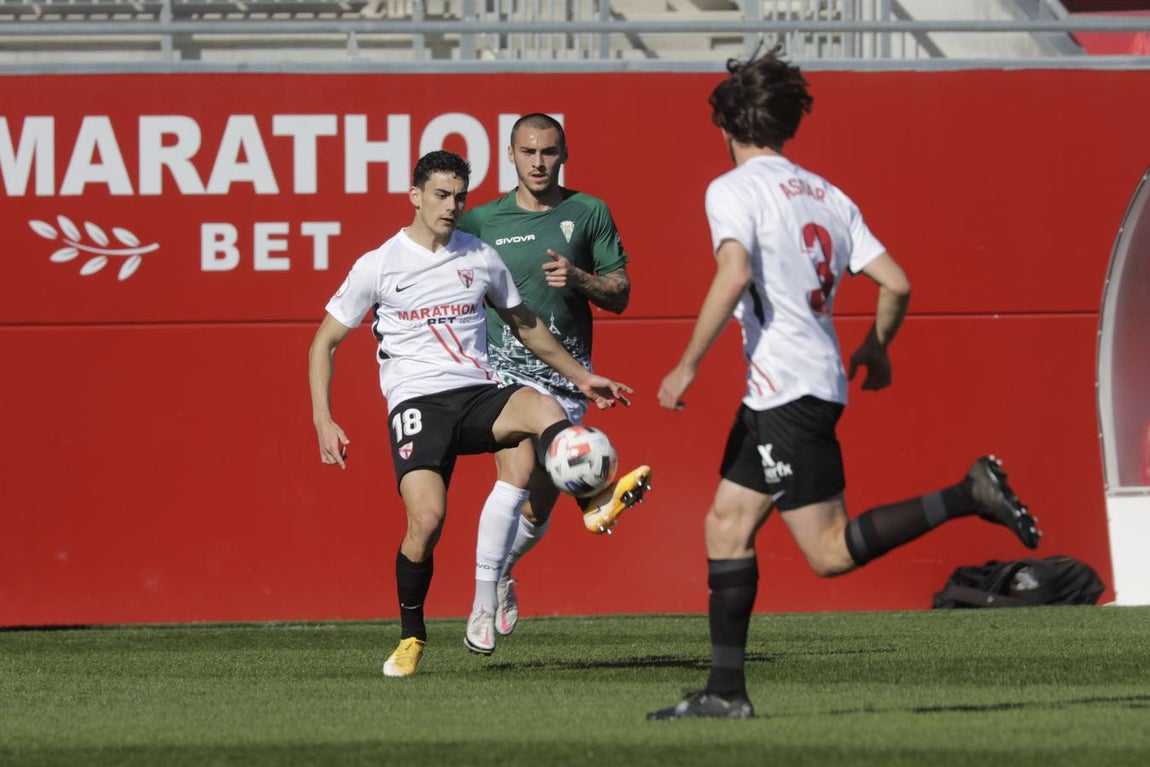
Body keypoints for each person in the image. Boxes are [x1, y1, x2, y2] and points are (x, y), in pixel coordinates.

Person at [647, 48, 1041, 721]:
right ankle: (725, 692)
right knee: (725, 525)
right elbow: (897, 281)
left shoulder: (733, 189)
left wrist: (686, 362)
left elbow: (735, 271)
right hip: (804, 385)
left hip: (785, 392)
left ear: (726, 125)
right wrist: (877, 349)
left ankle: (967, 492)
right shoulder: (826, 194)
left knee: (828, 554)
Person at [308, 150, 633, 679]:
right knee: (427, 521)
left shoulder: (479, 256)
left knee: (544, 406)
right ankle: (412, 635)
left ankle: (594, 498)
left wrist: (581, 377)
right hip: (417, 402)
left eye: (460, 196)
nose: (453, 205)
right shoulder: (379, 264)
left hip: (478, 392)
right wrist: (324, 418)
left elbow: (525, 323)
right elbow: (324, 343)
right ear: (415, 196)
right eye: (441, 194)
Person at [456, 113, 650, 656]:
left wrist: (583, 279)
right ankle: (480, 603)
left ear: (563, 155)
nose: (538, 162)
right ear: (510, 155)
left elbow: (621, 293)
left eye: (548, 152)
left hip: (566, 379)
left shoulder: (588, 212)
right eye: (527, 152)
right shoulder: (480, 221)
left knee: (537, 511)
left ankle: (503, 570)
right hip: (507, 378)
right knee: (515, 473)